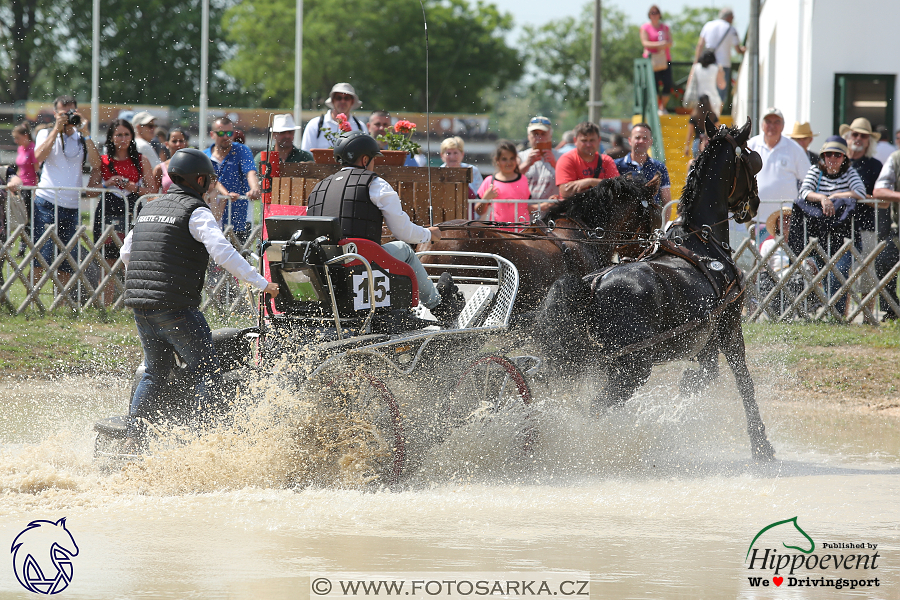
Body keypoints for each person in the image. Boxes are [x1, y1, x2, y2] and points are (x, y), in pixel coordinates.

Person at [120, 149, 280, 451]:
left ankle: (133, 438)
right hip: (176, 307)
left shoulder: (150, 207)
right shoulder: (196, 211)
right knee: (207, 369)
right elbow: (222, 252)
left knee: (156, 370)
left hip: (141, 306)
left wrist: (147, 286)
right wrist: (261, 283)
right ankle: (203, 440)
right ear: (201, 179)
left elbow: (126, 254)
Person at [305, 131, 465, 325]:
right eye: (373, 159)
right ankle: (440, 306)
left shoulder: (319, 188)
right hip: (361, 265)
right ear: (365, 159)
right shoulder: (376, 185)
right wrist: (427, 235)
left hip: (327, 271)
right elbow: (403, 232)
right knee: (404, 249)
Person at [31, 95, 102, 288]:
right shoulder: (46, 133)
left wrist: (85, 132)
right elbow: (37, 158)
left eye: (72, 112)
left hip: (71, 205)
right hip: (47, 202)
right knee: (41, 254)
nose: (69, 116)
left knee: (67, 259)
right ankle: (32, 300)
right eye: (64, 112)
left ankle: (61, 303)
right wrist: (56, 128)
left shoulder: (81, 137)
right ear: (55, 113)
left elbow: (97, 164)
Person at [789, 136, 866, 316]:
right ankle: (821, 313)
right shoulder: (816, 170)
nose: (832, 158)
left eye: (837, 155)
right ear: (823, 156)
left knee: (837, 273)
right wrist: (823, 198)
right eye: (828, 154)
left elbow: (860, 193)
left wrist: (837, 196)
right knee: (817, 273)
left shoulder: (849, 172)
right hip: (818, 235)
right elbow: (804, 192)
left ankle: (837, 316)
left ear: (844, 158)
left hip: (844, 236)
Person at [746, 108, 811, 237]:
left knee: (786, 257)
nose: (772, 126)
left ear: (782, 126)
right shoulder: (751, 145)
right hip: (754, 218)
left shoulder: (794, 148)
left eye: (777, 122)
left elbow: (808, 179)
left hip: (785, 222)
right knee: (754, 256)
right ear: (762, 125)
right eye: (768, 121)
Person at [203, 116, 260, 242]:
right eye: (221, 133)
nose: (225, 137)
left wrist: (255, 189)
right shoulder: (204, 156)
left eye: (229, 133)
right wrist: (226, 194)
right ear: (212, 134)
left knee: (241, 259)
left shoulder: (242, 150)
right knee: (210, 261)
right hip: (210, 220)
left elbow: (250, 173)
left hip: (240, 219)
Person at [475, 140, 534, 225]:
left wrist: (545, 205)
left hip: (521, 233)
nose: (508, 162)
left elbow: (526, 207)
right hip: (498, 233)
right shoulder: (490, 181)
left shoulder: (524, 179)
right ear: (497, 160)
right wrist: (485, 198)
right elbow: (479, 211)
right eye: (504, 159)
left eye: (512, 158)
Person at [555, 121, 619, 198]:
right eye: (584, 141)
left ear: (599, 140)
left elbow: (617, 188)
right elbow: (565, 192)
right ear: (575, 141)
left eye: (592, 140)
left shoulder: (606, 160)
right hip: (574, 209)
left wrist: (590, 182)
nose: (588, 144)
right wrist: (602, 188)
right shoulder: (567, 159)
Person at [872, 148, 900, 320]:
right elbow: (879, 191)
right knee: (883, 260)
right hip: (898, 229)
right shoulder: (896, 158)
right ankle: (892, 311)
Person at [694, 8, 745, 103]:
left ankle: (705, 114)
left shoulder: (708, 25)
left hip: (707, 64)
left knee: (705, 92)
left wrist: (696, 62)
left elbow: (700, 45)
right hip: (723, 64)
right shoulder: (731, 29)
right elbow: (738, 50)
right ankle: (716, 116)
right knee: (721, 93)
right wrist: (744, 50)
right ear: (729, 17)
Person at [614, 123, 671, 205]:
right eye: (637, 137)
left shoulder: (659, 167)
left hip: (652, 216)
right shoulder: (617, 165)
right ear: (630, 140)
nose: (641, 141)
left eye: (645, 138)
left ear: (651, 142)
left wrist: (664, 218)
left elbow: (667, 202)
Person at [300, 83, 366, 151]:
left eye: (346, 98)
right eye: (339, 98)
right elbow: (307, 156)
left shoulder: (361, 127)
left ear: (352, 101)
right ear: (332, 100)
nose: (342, 101)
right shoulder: (315, 125)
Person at [7, 123, 40, 240]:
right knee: (20, 216)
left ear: (25, 136)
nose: (16, 141)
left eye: (17, 138)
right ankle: (23, 244)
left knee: (27, 217)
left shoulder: (33, 149)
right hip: (21, 186)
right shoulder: (21, 148)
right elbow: (20, 168)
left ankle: (26, 243)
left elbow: (37, 170)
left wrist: (36, 189)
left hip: (30, 187)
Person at [640, 5, 673, 115]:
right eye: (652, 13)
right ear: (649, 15)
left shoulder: (665, 28)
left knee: (668, 84)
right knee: (653, 86)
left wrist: (663, 44)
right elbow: (645, 43)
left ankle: (662, 107)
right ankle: (653, 108)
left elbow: (670, 42)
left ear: (659, 14)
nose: (654, 15)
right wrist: (659, 45)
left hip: (665, 59)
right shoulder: (645, 27)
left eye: (656, 13)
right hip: (651, 61)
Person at [517, 116, 559, 200]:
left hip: (552, 210)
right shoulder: (521, 157)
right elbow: (510, 179)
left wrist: (555, 164)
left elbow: (569, 180)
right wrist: (527, 164)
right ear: (529, 137)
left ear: (550, 136)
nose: (539, 138)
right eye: (535, 134)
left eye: (543, 134)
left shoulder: (561, 156)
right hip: (527, 210)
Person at [685, 51, 725, 116]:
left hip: (698, 100)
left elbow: (688, 84)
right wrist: (722, 74)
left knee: (699, 122)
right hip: (713, 100)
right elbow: (722, 86)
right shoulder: (715, 68)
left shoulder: (696, 67)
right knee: (714, 122)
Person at [153, 128, 190, 193]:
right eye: (174, 141)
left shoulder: (193, 166)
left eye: (181, 141)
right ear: (167, 144)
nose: (178, 144)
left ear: (185, 143)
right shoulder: (159, 169)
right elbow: (151, 197)